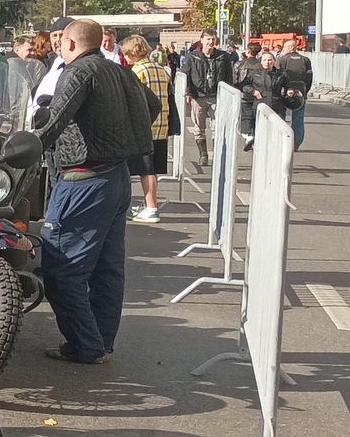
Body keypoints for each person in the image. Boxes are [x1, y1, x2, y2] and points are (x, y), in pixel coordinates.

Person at [31, 19, 156, 365]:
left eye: (61, 43)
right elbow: (153, 107)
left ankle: (86, 344)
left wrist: (23, 146)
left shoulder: (79, 71)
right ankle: (101, 341)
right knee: (107, 269)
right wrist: (120, 138)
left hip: (83, 180)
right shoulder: (119, 70)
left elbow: (53, 121)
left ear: (70, 44)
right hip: (116, 179)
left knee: (62, 269)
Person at [121, 35, 176, 223]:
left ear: (131, 52)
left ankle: (151, 207)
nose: (125, 58)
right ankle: (149, 205)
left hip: (144, 125)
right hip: (162, 124)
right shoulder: (161, 69)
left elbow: (133, 99)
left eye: (126, 54)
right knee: (152, 170)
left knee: (145, 170)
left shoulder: (137, 71)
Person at [181, 31, 234, 168]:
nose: (211, 42)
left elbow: (229, 77)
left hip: (217, 96)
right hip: (198, 96)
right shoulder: (192, 57)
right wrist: (188, 92)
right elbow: (185, 75)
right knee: (199, 127)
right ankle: (203, 154)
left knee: (217, 127)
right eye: (208, 39)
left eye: (213, 39)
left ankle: (217, 155)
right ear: (202, 40)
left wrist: (228, 94)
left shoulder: (223, 57)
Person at [278, 36, 313, 149]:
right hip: (300, 90)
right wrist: (305, 90)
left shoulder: (282, 60)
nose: (283, 49)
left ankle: (282, 141)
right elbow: (309, 77)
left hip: (284, 90)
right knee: (298, 118)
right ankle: (296, 144)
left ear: (291, 48)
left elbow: (278, 76)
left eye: (285, 47)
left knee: (280, 116)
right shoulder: (305, 60)